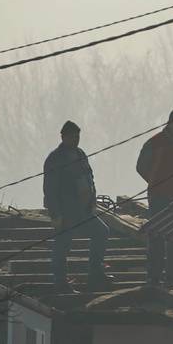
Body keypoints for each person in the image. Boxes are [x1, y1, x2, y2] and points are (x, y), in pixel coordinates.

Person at [43, 121, 109, 292]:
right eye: (72, 136)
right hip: (66, 210)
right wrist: (55, 214)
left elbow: (89, 178)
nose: (76, 139)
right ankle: (60, 281)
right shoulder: (55, 158)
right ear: (63, 137)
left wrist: (92, 199)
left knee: (102, 232)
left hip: (84, 210)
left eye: (78, 136)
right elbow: (50, 189)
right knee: (62, 244)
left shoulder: (80, 154)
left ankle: (95, 272)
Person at [137, 109, 173, 287]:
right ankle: (154, 276)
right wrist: (155, 181)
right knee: (156, 236)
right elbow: (141, 166)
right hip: (159, 196)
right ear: (170, 123)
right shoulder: (156, 143)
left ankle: (172, 273)